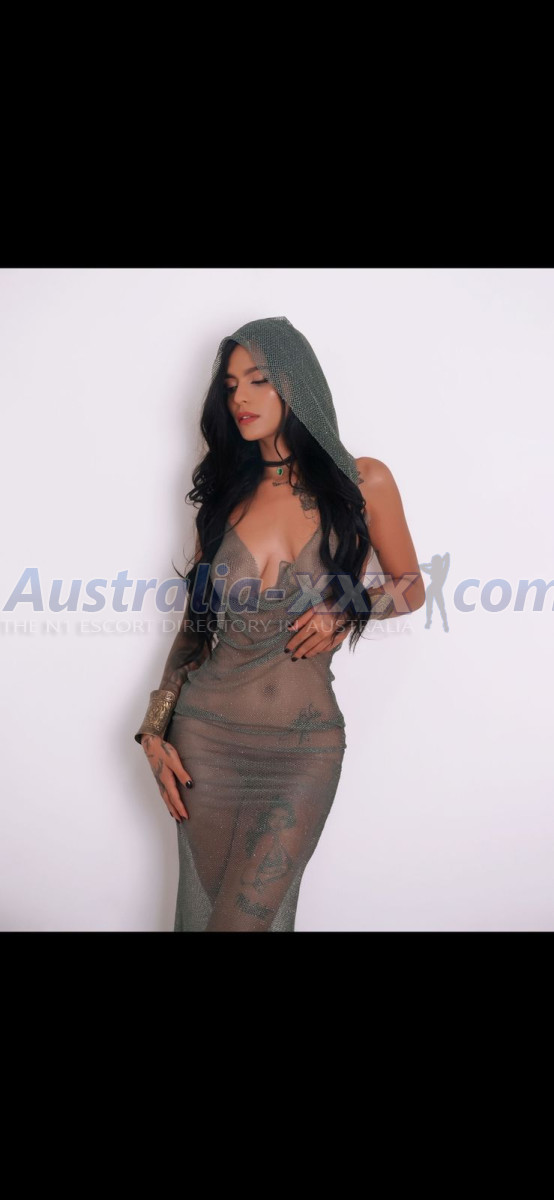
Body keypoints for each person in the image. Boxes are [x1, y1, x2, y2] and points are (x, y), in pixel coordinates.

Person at [134, 316, 425, 931]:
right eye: (230, 384)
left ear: (296, 382)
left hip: (302, 751)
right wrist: (154, 729)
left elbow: (411, 586)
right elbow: (195, 627)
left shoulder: (363, 480)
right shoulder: (225, 493)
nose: (239, 396)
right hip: (204, 741)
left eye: (258, 379)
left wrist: (350, 605)